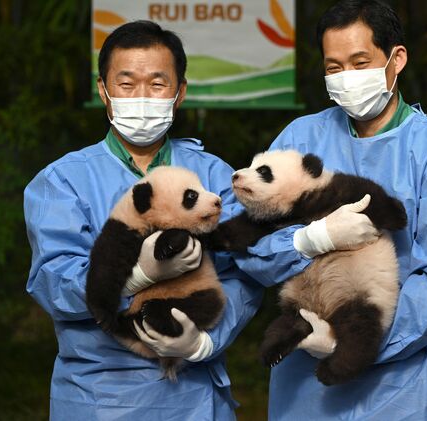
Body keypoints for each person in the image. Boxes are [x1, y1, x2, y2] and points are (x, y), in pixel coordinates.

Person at [233, 1, 427, 419]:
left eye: (360, 62)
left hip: (407, 388)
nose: (347, 78)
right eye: (334, 67)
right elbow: (247, 244)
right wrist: (306, 241)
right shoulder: (300, 139)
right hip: (307, 388)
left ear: (397, 59)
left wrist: (350, 343)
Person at [23, 20, 265, 420]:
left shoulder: (217, 176)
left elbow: (246, 271)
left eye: (156, 84)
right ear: (103, 90)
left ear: (179, 93)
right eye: (126, 83)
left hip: (195, 396)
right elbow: (53, 281)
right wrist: (132, 276)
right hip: (99, 396)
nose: (141, 97)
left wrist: (205, 342)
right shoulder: (63, 181)